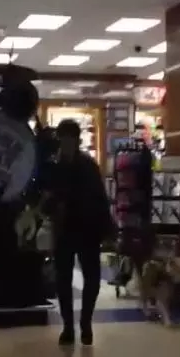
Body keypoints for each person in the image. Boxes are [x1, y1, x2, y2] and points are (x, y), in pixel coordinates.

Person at [42, 119, 115, 346]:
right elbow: (47, 200)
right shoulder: (54, 167)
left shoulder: (87, 166)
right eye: (62, 138)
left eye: (68, 138)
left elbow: (100, 199)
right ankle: (68, 326)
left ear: (76, 139)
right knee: (63, 281)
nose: (65, 143)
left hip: (87, 230)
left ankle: (85, 323)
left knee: (91, 278)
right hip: (64, 230)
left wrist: (105, 226)